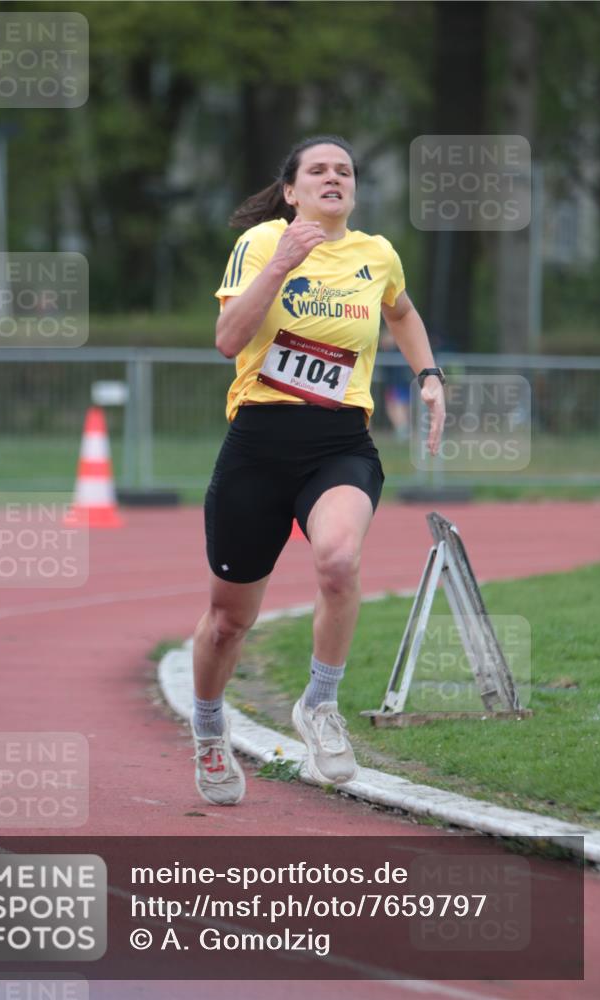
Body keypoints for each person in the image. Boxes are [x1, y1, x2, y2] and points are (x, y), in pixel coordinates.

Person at [190, 135, 445, 805]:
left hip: (339, 443)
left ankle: (319, 704)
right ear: (291, 192)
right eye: (318, 170)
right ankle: (210, 732)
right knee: (226, 623)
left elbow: (402, 310)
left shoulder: (376, 254)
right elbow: (226, 341)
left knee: (337, 560)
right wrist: (282, 263)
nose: (334, 177)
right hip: (258, 444)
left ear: (352, 190)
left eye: (344, 170)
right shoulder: (261, 243)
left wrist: (428, 375)